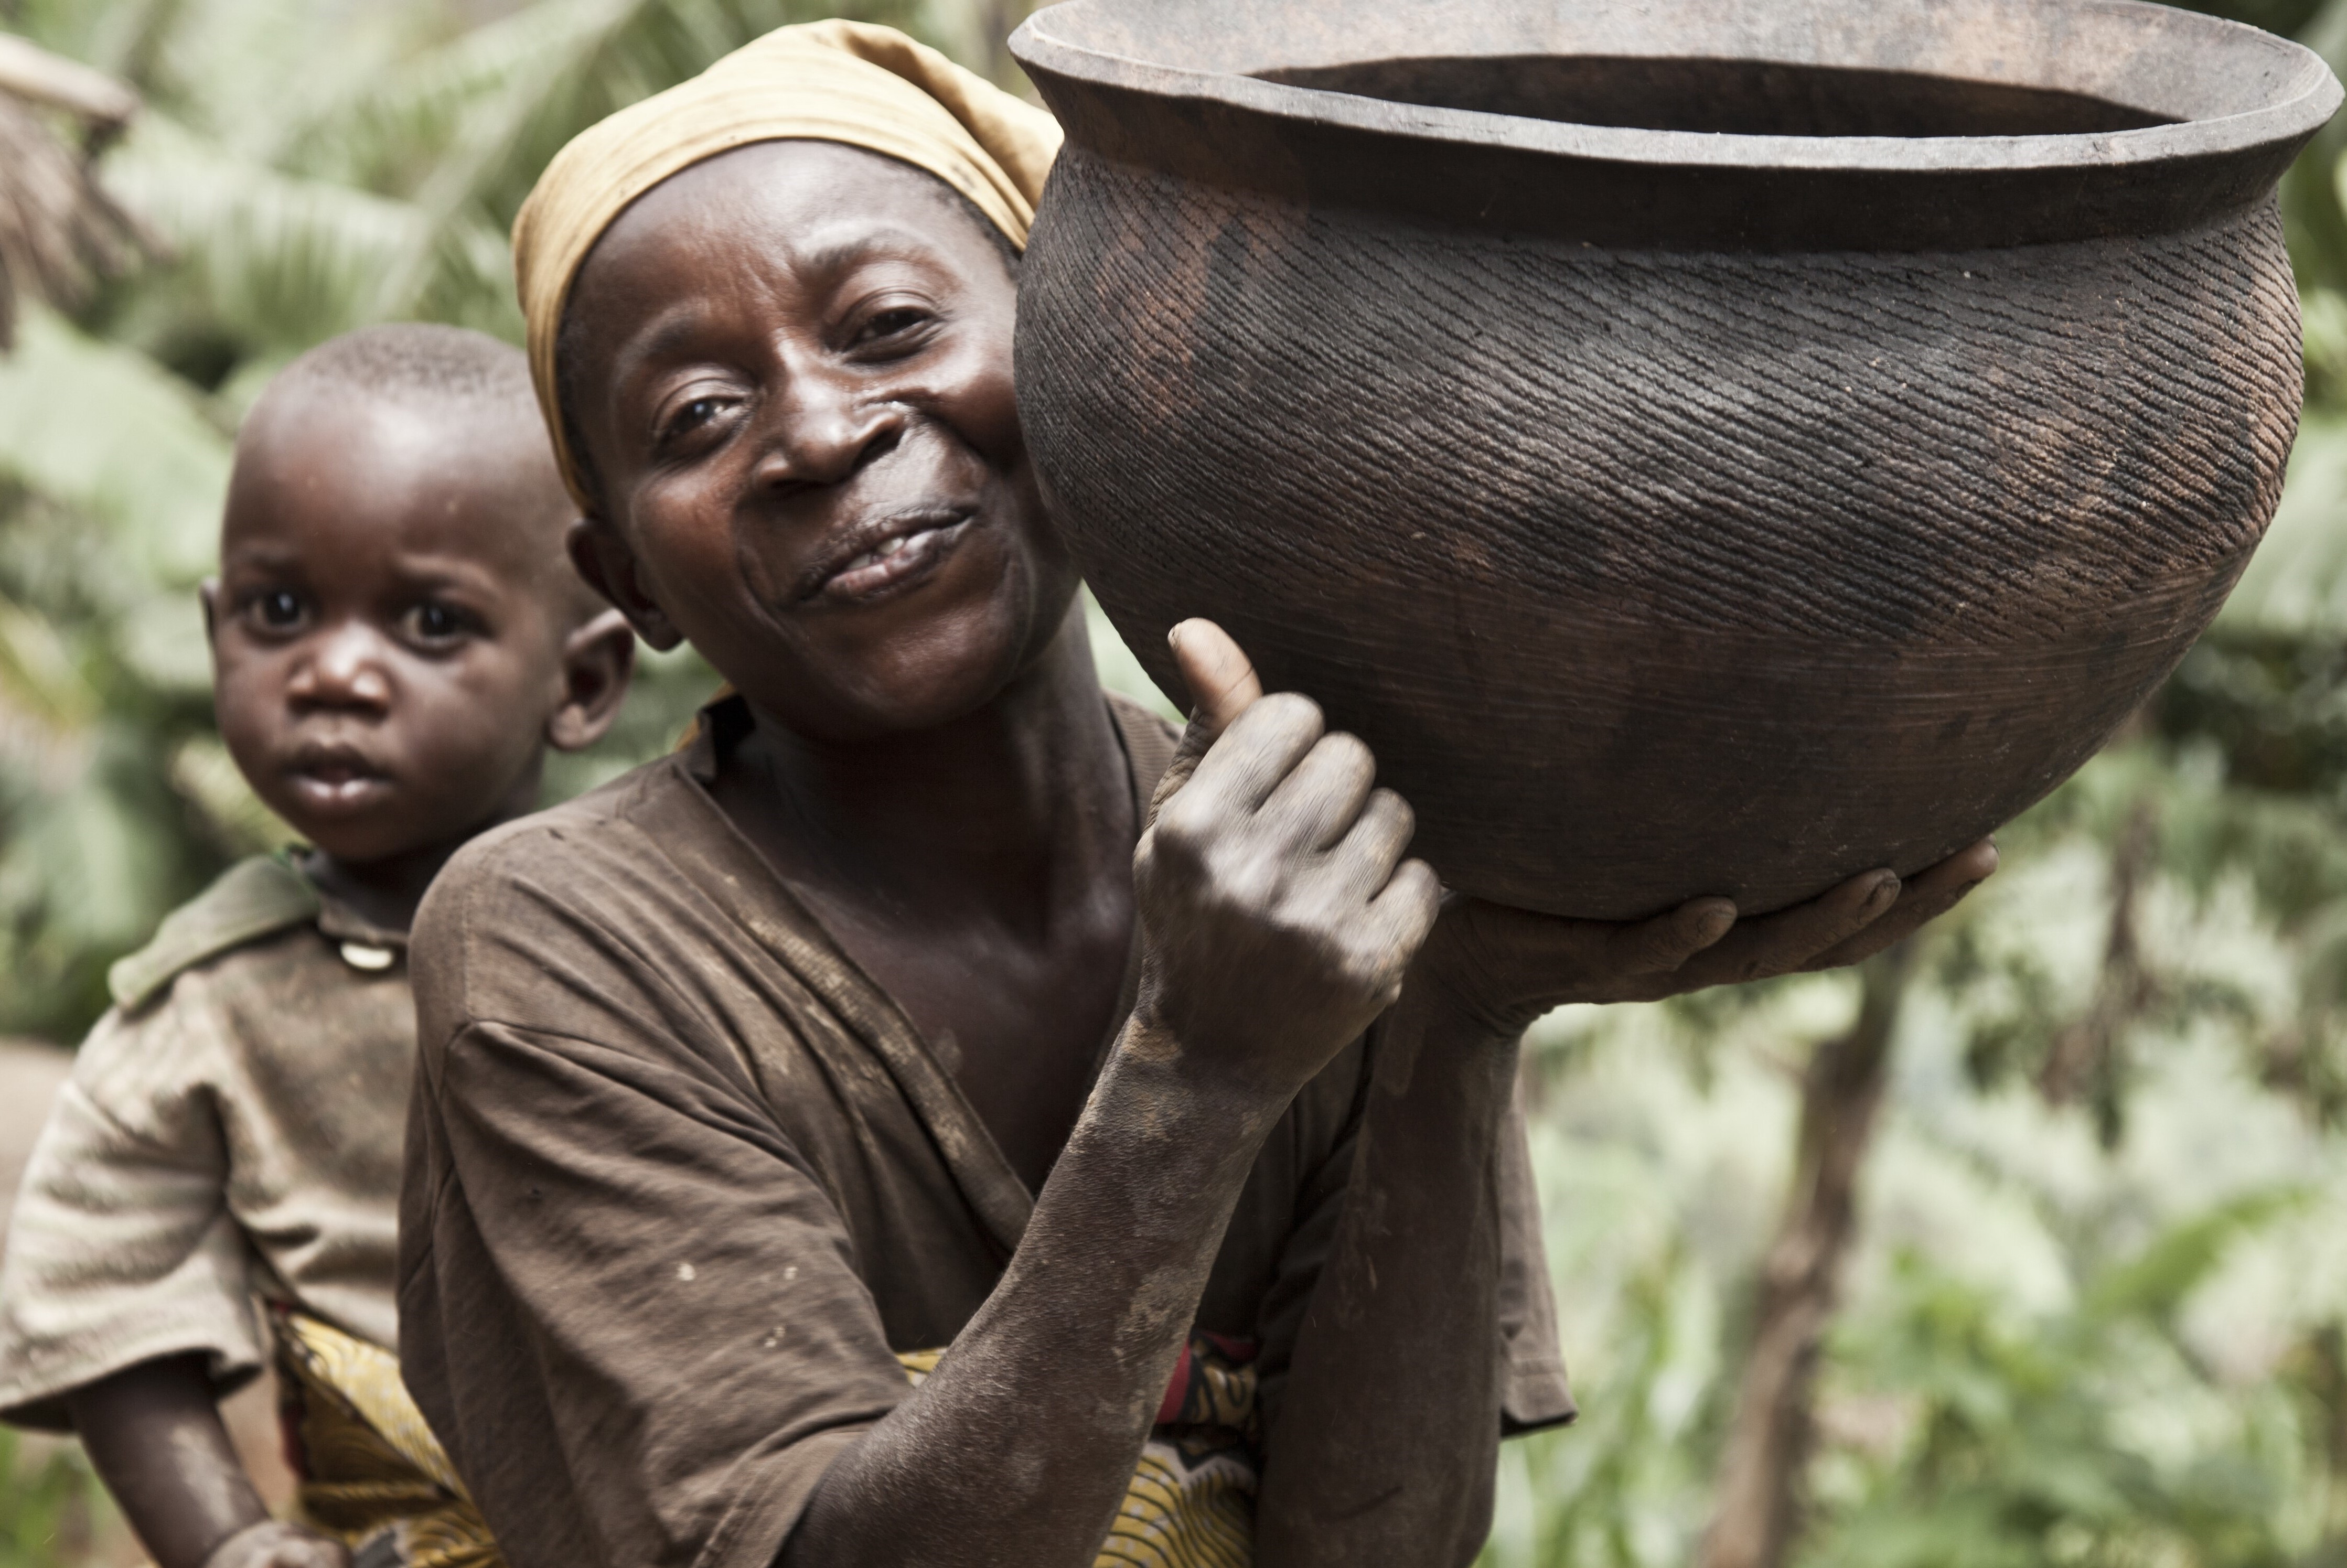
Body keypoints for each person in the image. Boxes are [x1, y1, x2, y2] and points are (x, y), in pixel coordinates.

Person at [396, 23, 1998, 1568]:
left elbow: (1369, 1542)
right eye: (695, 416)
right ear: (627, 582)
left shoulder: (1322, 844)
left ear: (1101, 366)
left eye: (888, 327)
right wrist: (1198, 1067)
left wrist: (1460, 1015)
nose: (819, 429)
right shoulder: (560, 944)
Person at [0, 325, 637, 1568]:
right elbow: (101, 1304)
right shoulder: (212, 1007)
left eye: (432, 623)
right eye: (279, 611)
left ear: (586, 683)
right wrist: (234, 1541)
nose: (334, 673)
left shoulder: (685, 918)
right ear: (213, 627)